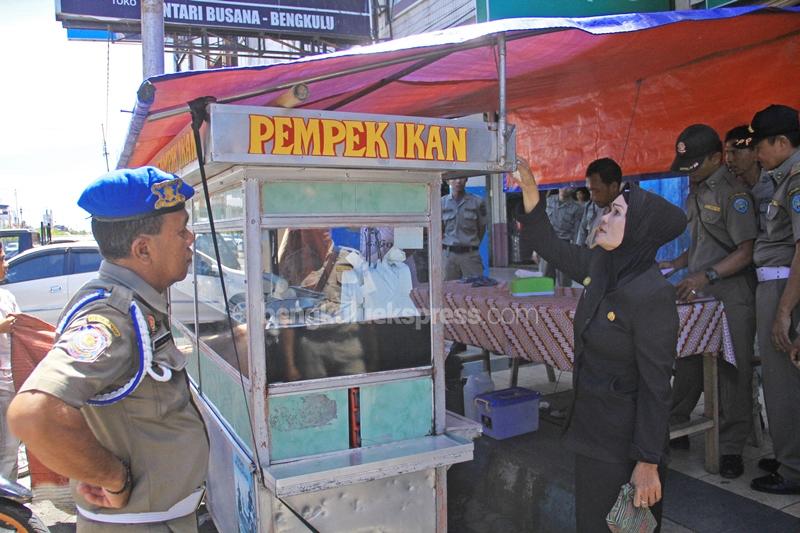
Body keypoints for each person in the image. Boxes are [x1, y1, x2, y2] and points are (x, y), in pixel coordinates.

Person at [8, 167, 210, 531]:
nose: (190, 238)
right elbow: (33, 413)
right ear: (143, 248)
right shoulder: (112, 316)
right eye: (180, 230)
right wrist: (111, 476)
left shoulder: (132, 304)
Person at [514, 156, 686, 531]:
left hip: (624, 445)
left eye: (617, 214)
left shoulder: (652, 294)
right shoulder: (601, 266)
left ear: (639, 229)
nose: (602, 218)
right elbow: (546, 241)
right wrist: (529, 182)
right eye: (607, 212)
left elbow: (657, 386)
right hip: (593, 433)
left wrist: (647, 462)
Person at [659, 124, 757, 479]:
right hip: (699, 293)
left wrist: (706, 276)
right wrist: (676, 263)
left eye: (696, 166)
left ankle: (731, 446)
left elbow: (746, 252)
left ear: (717, 158)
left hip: (731, 293)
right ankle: (678, 423)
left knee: (732, 368)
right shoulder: (696, 191)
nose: (690, 175)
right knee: (686, 359)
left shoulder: (735, 195)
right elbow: (703, 243)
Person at [745, 104, 800, 495]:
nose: (755, 155)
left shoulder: (796, 180)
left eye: (760, 146)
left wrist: (784, 310)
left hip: (786, 288)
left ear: (782, 142)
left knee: (783, 383)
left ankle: (793, 470)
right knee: (781, 381)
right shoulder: (782, 178)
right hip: (777, 285)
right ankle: (789, 455)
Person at [442, 177, 487, 355]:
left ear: (467, 179)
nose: (458, 181)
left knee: (478, 298)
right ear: (448, 180)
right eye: (454, 178)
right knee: (451, 299)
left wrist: (470, 244)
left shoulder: (478, 202)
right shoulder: (441, 203)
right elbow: (439, 228)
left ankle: (484, 340)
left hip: (470, 255)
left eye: (462, 177)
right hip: (449, 256)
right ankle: (457, 340)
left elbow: (482, 228)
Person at [0, 241, 20, 482]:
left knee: (10, 448)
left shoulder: (7, 297)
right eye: (2, 258)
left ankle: (8, 507)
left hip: (10, 384)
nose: (5, 265)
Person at [575, 158, 623, 248]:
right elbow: (581, 239)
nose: (592, 197)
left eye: (596, 191)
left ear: (614, 187)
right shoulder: (590, 207)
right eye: (590, 190)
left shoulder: (628, 213)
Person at [541, 187, 583, 285]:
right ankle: (547, 301)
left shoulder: (577, 208)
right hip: (547, 243)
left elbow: (578, 232)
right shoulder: (548, 201)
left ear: (573, 189)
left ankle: (564, 300)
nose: (564, 189)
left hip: (565, 246)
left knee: (565, 281)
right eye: (562, 185)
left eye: (568, 186)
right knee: (545, 279)